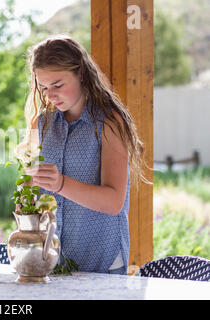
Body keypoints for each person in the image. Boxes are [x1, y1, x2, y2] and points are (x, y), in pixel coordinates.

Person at [16, 34, 150, 275]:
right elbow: (33, 187)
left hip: (101, 261)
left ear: (82, 74)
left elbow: (114, 202)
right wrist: (26, 194)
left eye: (57, 85)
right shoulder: (42, 123)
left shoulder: (109, 123)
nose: (50, 95)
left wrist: (60, 184)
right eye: (44, 88)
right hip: (52, 261)